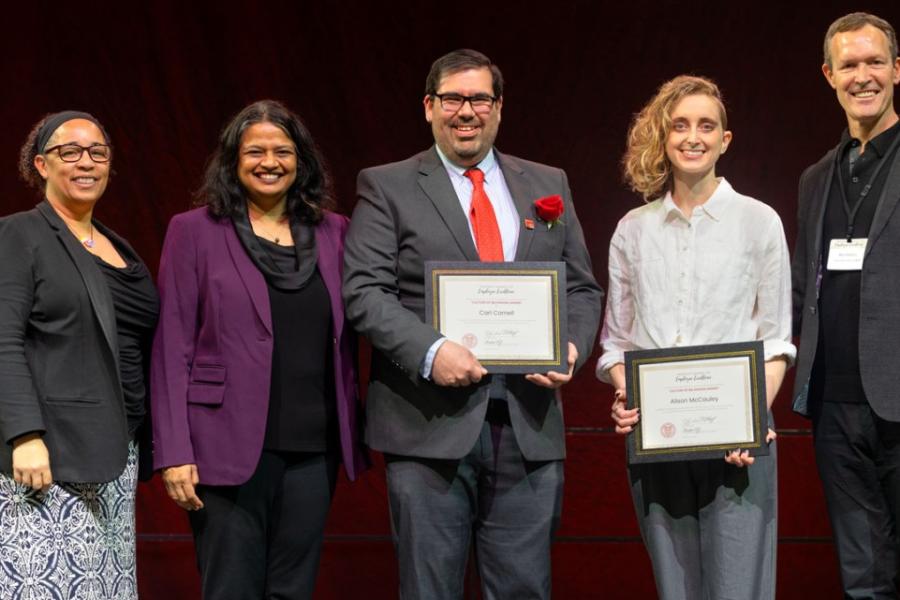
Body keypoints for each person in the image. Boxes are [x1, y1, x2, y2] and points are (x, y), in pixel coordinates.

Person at [342, 49, 602, 599]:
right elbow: (365, 291)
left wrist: (570, 347)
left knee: (524, 589)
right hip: (427, 425)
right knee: (430, 589)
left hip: (527, 424)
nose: (467, 111)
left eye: (479, 98)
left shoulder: (547, 182)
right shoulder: (387, 185)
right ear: (429, 107)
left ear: (499, 108)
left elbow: (580, 286)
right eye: (453, 99)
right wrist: (433, 351)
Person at [151, 99, 367, 599]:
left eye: (283, 151)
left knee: (293, 590)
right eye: (255, 151)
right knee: (231, 589)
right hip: (222, 447)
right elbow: (172, 346)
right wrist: (175, 450)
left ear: (302, 161)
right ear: (232, 160)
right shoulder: (193, 231)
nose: (269, 161)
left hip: (315, 448)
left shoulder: (336, 231)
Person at [597, 76, 794, 600]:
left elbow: (777, 340)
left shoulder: (758, 222)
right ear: (664, 137)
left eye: (706, 126)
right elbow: (617, 343)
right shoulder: (632, 230)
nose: (693, 137)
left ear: (725, 140)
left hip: (740, 443)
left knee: (739, 590)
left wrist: (749, 420)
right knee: (675, 589)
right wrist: (625, 393)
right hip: (659, 437)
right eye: (680, 125)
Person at [0, 111, 159, 599]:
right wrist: (24, 434)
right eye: (70, 152)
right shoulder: (19, 234)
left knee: (106, 589)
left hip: (115, 454)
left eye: (98, 152)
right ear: (41, 164)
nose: (85, 162)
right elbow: (2, 338)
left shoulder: (116, 245)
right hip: (49, 456)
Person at [792, 12, 900, 598]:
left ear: (897, 70)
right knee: (862, 577)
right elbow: (800, 289)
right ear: (829, 75)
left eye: (874, 61)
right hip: (835, 406)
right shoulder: (814, 180)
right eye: (849, 65)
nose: (863, 76)